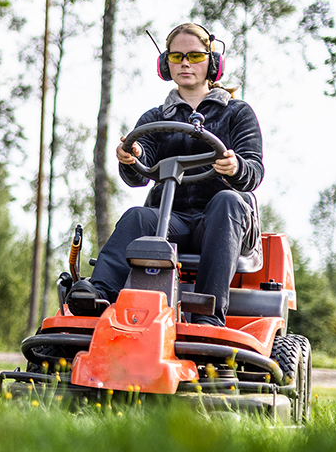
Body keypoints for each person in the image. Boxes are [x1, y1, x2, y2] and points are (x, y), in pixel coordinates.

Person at [69, 23, 263, 327]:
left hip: (224, 222)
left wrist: (236, 167)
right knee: (137, 216)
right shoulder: (156, 118)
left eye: (195, 56)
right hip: (172, 221)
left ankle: (208, 318)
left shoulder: (236, 113)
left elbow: (254, 171)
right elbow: (138, 172)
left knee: (228, 200)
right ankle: (98, 295)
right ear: (165, 64)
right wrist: (131, 157)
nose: (185, 63)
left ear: (212, 63)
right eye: (177, 56)